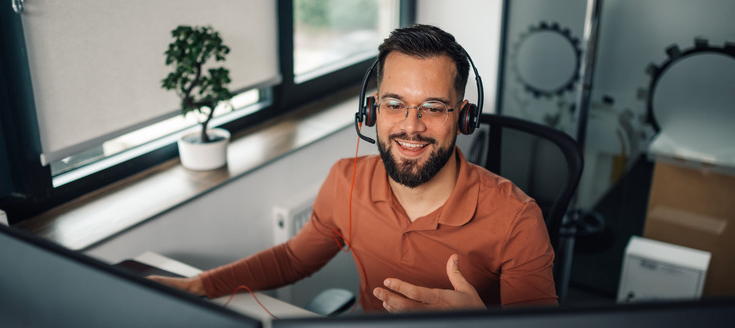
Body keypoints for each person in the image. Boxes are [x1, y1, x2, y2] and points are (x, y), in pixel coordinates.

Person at [151, 24, 558, 312]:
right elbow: (293, 260)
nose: (410, 126)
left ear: (465, 117)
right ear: (371, 110)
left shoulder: (516, 219)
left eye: (433, 108)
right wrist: (200, 285)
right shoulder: (346, 181)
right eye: (394, 104)